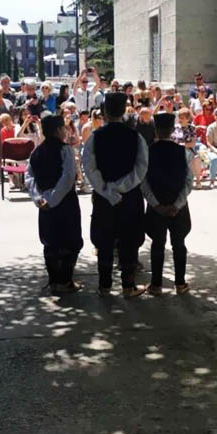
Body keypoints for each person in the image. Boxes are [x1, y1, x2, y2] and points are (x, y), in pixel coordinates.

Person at [82, 92, 148, 297]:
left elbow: (89, 168)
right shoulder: (136, 137)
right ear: (123, 111)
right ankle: (128, 286)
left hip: (104, 198)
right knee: (129, 239)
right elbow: (141, 168)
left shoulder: (95, 137)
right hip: (130, 197)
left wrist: (107, 190)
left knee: (104, 241)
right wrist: (122, 187)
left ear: (104, 112)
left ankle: (104, 286)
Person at [26, 113, 84, 293]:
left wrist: (39, 198)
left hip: (45, 204)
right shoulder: (65, 150)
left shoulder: (37, 151)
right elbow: (68, 177)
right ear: (59, 130)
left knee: (51, 241)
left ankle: (54, 281)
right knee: (69, 240)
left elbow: (29, 177)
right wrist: (51, 199)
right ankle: (65, 281)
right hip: (65, 202)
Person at [142, 112, 194, 296]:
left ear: (156, 130)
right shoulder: (183, 152)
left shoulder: (147, 152)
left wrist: (155, 204)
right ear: (172, 130)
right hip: (178, 206)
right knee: (179, 244)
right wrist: (177, 204)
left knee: (157, 244)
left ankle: (156, 284)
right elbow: (189, 182)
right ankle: (180, 283)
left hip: (156, 206)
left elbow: (143, 182)